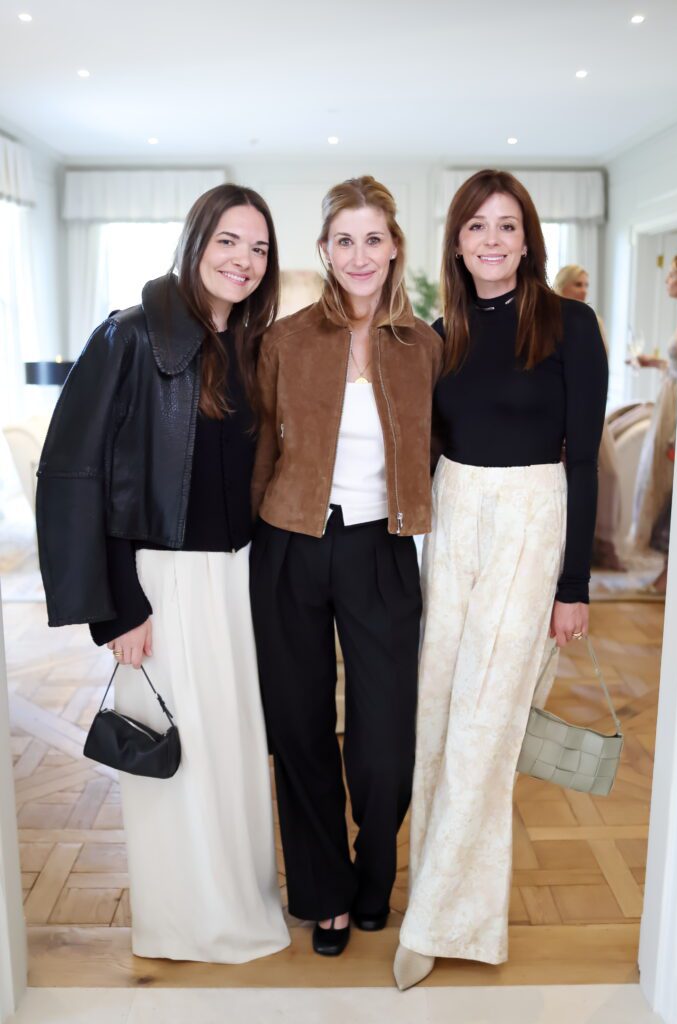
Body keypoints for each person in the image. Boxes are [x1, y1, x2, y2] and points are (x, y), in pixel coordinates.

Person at [36, 184, 291, 963]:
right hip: (162, 581)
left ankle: (240, 901)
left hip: (232, 578)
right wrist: (115, 606)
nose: (243, 260)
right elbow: (76, 472)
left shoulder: (248, 347)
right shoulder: (130, 335)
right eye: (227, 242)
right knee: (175, 754)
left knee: (232, 752)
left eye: (257, 248)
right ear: (195, 242)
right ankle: (187, 922)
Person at [394, 169, 608, 990]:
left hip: (530, 518)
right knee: (441, 715)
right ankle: (440, 899)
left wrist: (574, 584)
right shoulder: (435, 331)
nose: (491, 239)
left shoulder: (569, 323)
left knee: (486, 725)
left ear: (527, 239)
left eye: (506, 225)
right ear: (456, 242)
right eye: (476, 226)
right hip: (453, 521)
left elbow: (583, 458)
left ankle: (437, 923)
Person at [249, 176, 442, 957]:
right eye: (343, 240)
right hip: (290, 545)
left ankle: (374, 872)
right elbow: (259, 450)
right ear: (324, 251)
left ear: (393, 246)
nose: (358, 255)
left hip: (383, 551)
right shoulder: (286, 339)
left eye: (372, 239)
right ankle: (324, 894)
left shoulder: (426, 345)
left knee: (384, 744)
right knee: (298, 729)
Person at [553, 264, 626, 571]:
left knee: (607, 474)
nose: (584, 290)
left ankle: (602, 543)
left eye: (586, 284)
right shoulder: (553, 318)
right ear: (563, 286)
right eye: (578, 284)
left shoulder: (594, 320)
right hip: (559, 411)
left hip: (589, 409)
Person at [629, 253, 677, 594]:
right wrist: (654, 364)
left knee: (669, 487)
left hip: (676, 408)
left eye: (672, 275)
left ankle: (669, 572)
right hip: (669, 399)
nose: (666, 281)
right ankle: (666, 571)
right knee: (662, 483)